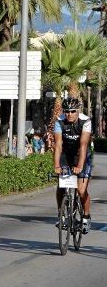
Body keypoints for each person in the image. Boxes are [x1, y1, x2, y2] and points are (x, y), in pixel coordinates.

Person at [54, 97, 93, 234]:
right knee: (61, 187)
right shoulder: (59, 121)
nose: (69, 114)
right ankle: (62, 215)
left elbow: (83, 145)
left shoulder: (85, 121)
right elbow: (58, 145)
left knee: (81, 191)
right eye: (67, 111)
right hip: (66, 155)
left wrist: (80, 166)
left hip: (82, 155)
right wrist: (57, 165)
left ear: (78, 111)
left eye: (72, 111)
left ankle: (86, 217)